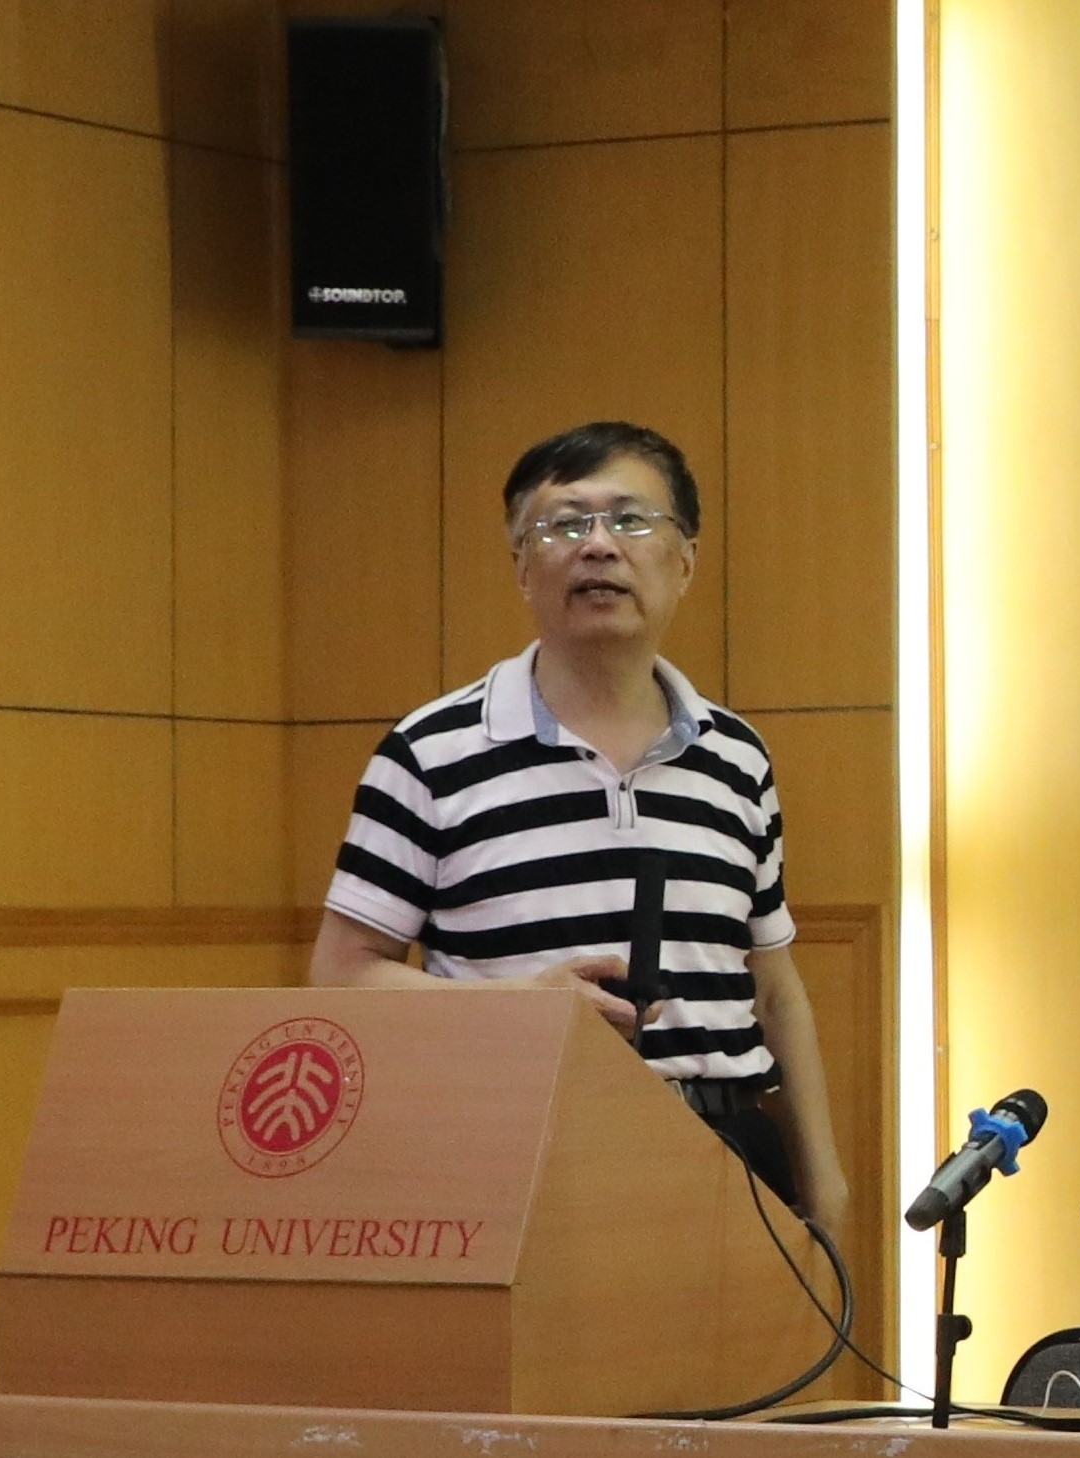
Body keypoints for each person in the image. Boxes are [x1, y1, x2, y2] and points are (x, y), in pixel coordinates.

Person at [308, 420, 850, 1237]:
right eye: (563, 525)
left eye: (630, 520)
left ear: (685, 561)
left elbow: (773, 986)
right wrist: (521, 1008)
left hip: (728, 1155)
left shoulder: (736, 757)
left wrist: (824, 1179)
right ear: (521, 567)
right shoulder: (429, 752)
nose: (598, 545)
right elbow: (342, 975)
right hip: (512, 1153)